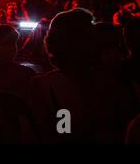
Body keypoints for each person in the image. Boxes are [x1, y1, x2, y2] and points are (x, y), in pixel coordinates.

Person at [29, 9, 136, 143]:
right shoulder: (46, 87)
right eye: (89, 37)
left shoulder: (111, 82)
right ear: (74, 42)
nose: (96, 44)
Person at [0, 25, 35, 101]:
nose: (12, 48)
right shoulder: (26, 73)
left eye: (13, 43)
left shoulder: (27, 74)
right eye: (6, 44)